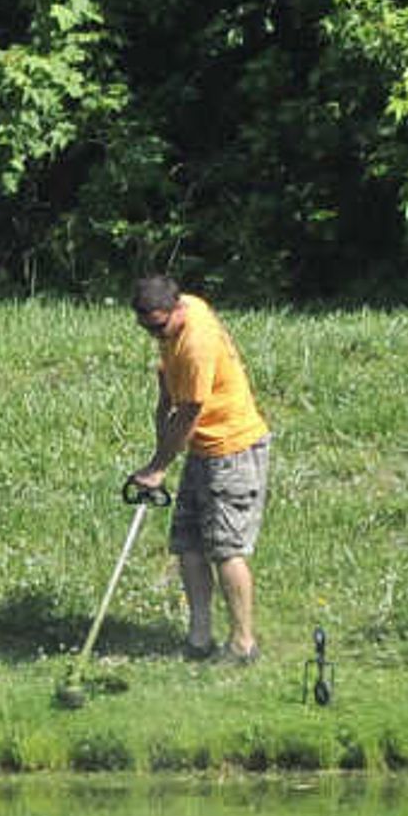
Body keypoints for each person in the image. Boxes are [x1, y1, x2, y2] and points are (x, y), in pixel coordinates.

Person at [124, 274, 271, 664]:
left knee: (226, 548)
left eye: (159, 326)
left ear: (177, 310)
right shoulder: (179, 320)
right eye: (146, 328)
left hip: (233, 448)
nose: (154, 335)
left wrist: (157, 467)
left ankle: (243, 645)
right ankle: (199, 637)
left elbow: (188, 414)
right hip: (202, 450)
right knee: (188, 544)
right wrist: (162, 399)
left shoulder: (196, 344)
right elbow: (171, 404)